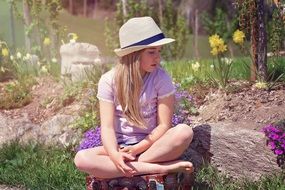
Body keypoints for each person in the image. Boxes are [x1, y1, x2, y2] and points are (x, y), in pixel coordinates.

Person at [74, 16, 194, 179]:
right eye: (151, 52)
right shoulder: (109, 80)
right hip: (120, 148)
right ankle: (161, 167)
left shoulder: (161, 78)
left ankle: (129, 167)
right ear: (134, 54)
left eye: (159, 51)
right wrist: (115, 155)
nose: (157, 57)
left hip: (151, 147)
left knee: (184, 132)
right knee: (81, 159)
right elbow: (107, 127)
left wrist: (137, 149)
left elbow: (164, 125)